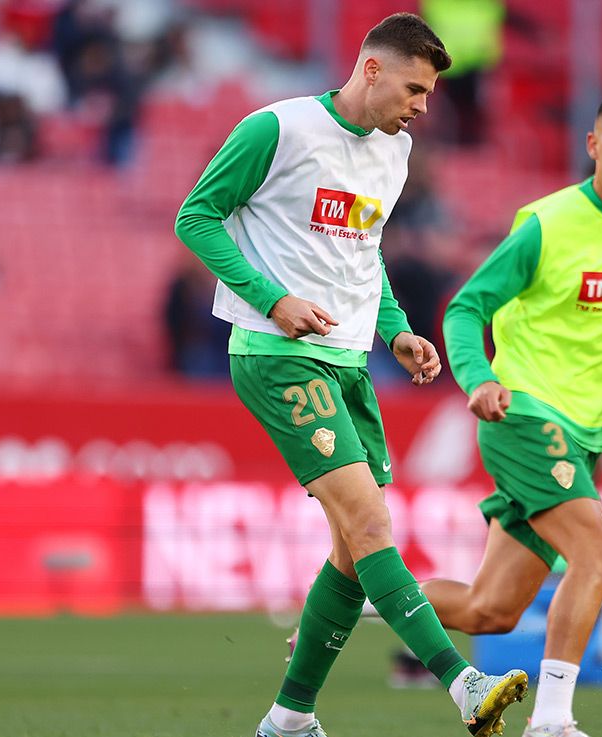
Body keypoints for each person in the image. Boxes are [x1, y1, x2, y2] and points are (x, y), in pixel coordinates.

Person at [172, 14, 527, 737]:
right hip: (275, 355)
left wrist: (395, 330)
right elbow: (196, 217)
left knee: (348, 546)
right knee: (370, 521)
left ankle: (289, 717)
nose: (424, 105)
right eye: (415, 87)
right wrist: (272, 299)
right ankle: (464, 684)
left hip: (349, 361)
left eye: (429, 93)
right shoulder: (277, 130)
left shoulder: (394, 152)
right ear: (371, 69)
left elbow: (362, 255)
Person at [424, 89, 602, 737]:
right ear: (594, 145)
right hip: (524, 416)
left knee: (487, 608)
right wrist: (479, 376)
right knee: (600, 550)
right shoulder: (547, 224)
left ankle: (350, 599)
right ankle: (551, 722)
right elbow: (467, 307)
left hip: (585, 433)